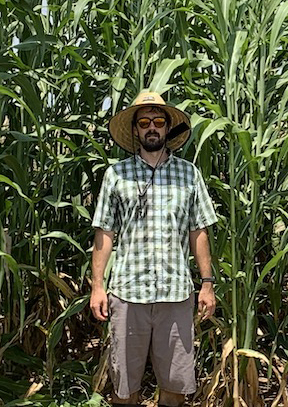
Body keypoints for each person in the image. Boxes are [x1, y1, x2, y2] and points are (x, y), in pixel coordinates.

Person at [89, 90, 218, 407]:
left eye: (158, 121)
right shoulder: (116, 175)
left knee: (175, 385)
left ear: (167, 127)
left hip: (175, 293)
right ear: (135, 129)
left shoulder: (188, 174)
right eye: (144, 121)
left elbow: (198, 230)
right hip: (127, 292)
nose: (151, 127)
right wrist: (97, 286)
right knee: (124, 386)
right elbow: (104, 233)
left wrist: (207, 284)